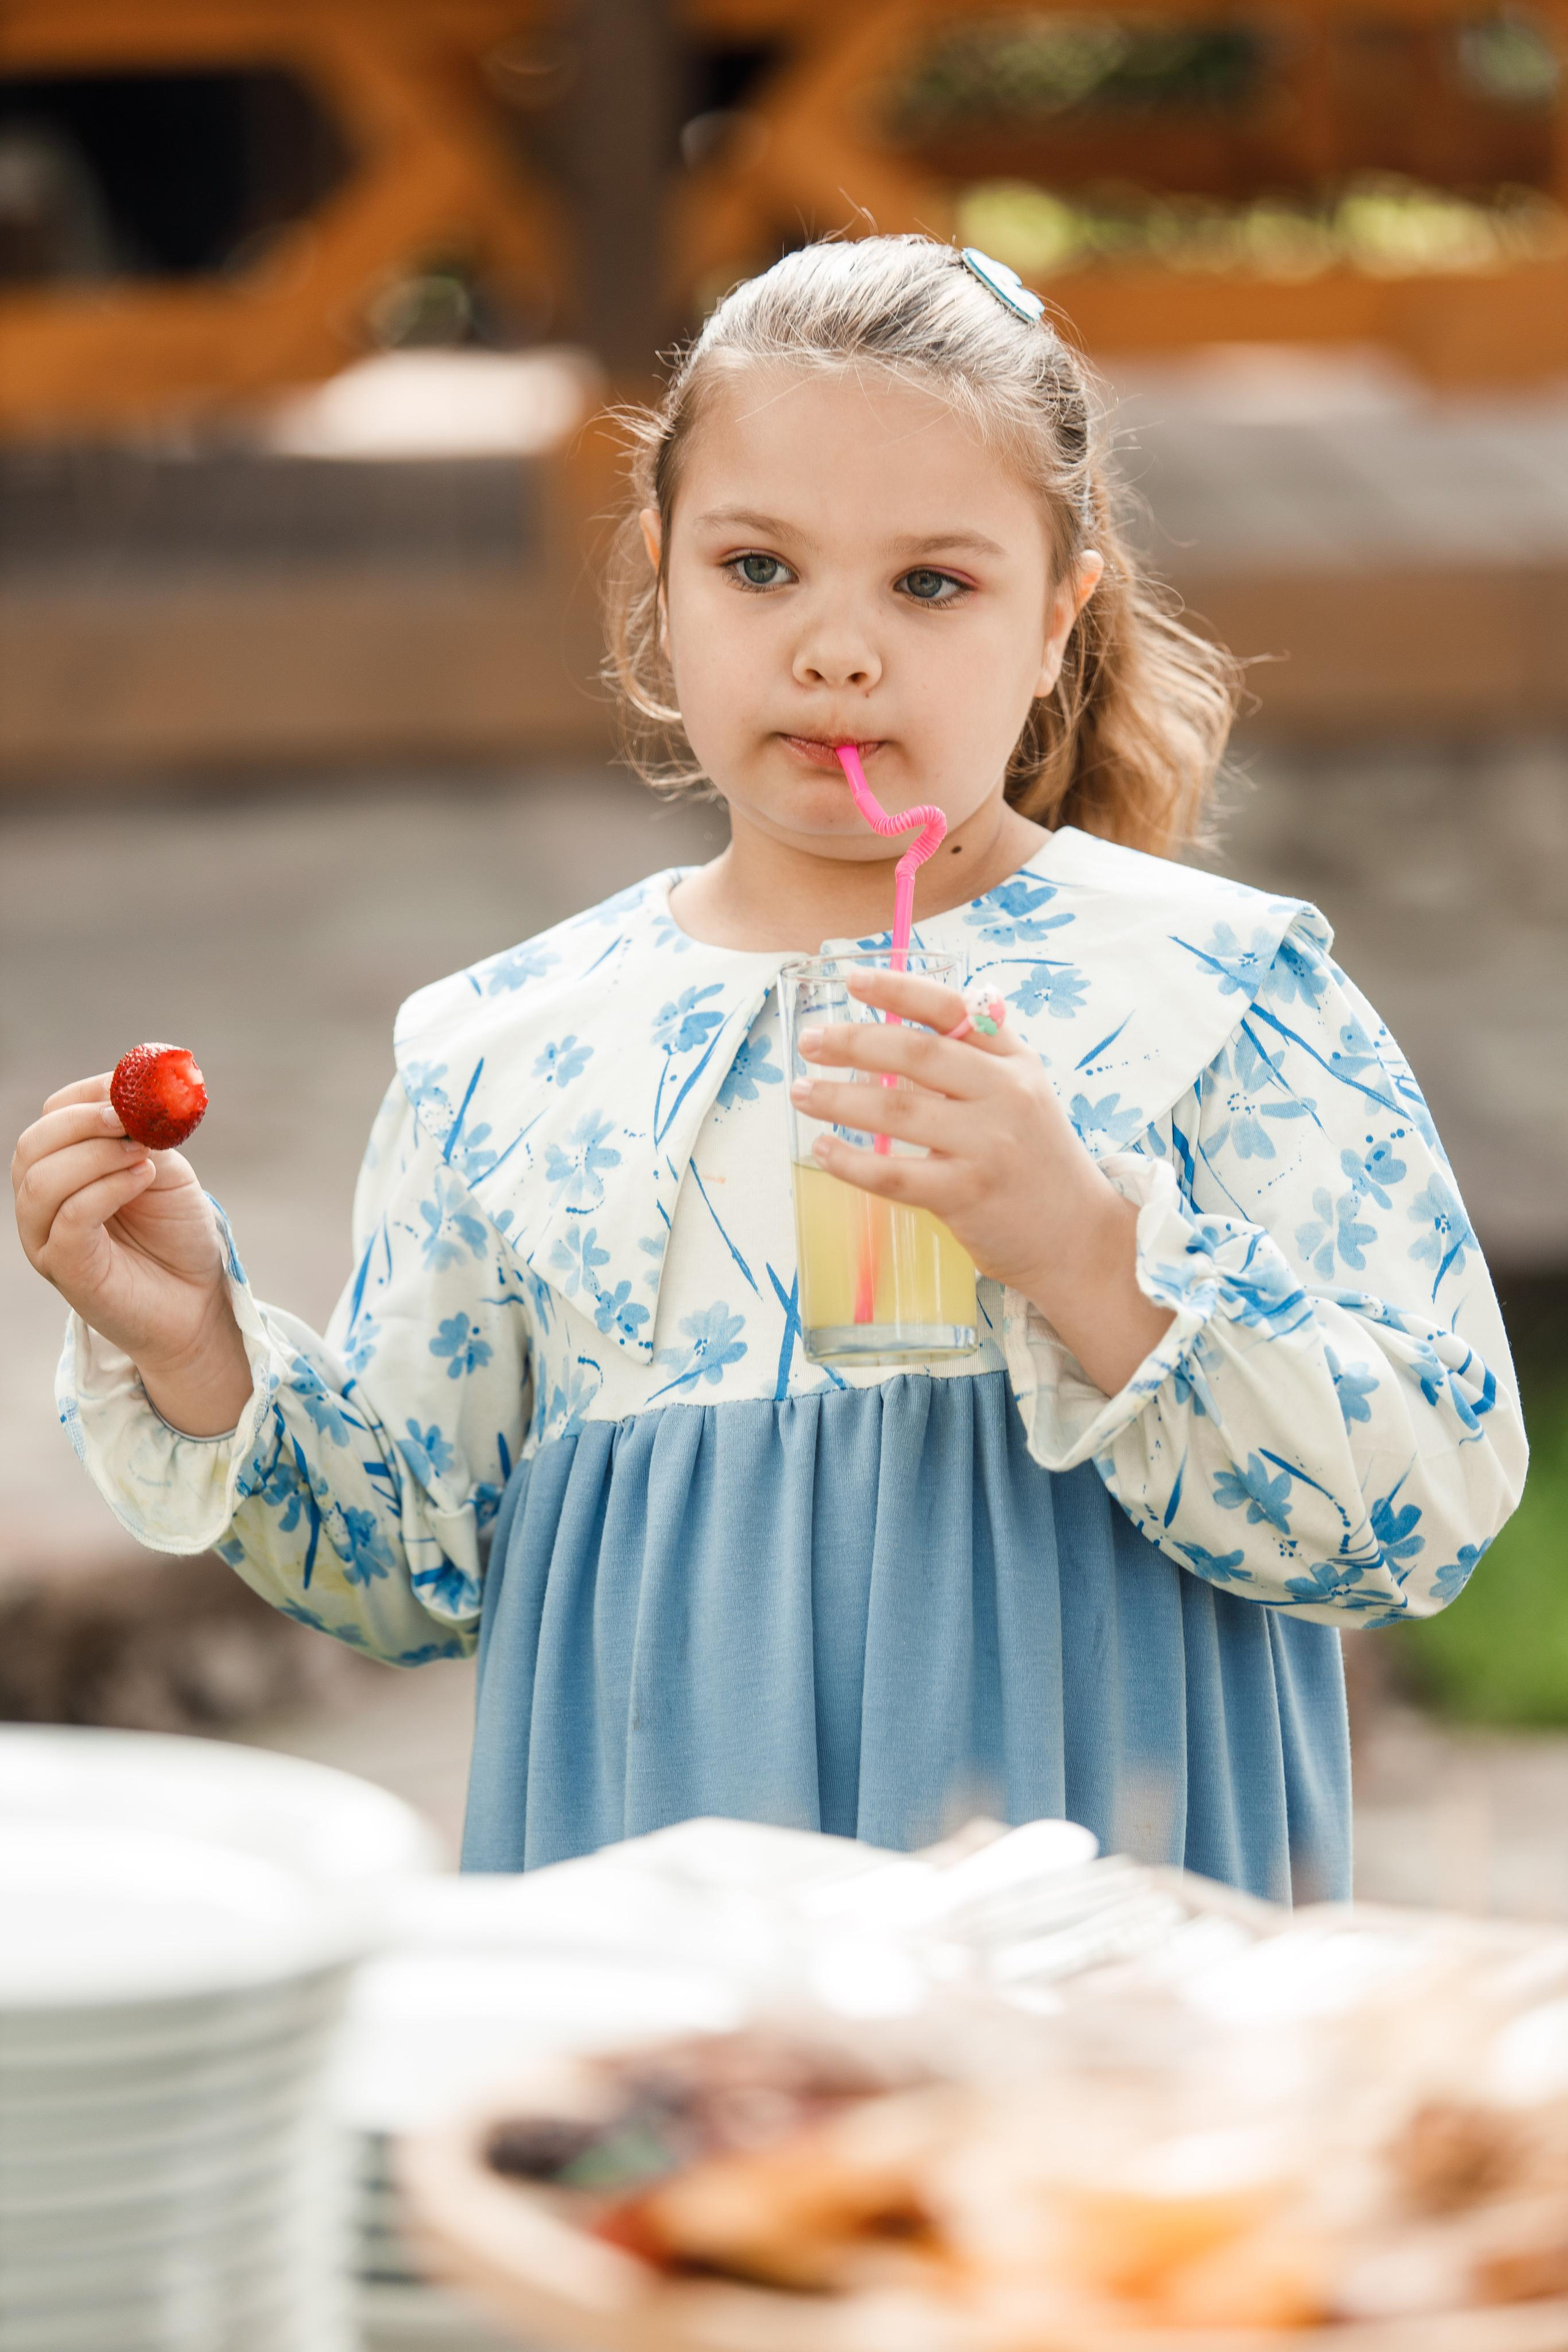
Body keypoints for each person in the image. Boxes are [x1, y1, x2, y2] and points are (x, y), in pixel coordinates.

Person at [13, 236, 1525, 1900]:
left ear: (1055, 622)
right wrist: (199, 1352)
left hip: (1094, 1926)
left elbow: (1428, 1503)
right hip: (677, 1922)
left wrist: (1090, 1253)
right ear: (659, 585)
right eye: (759, 568)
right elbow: (412, 1568)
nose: (836, 651)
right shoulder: (510, 1051)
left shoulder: (1216, 995)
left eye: (931, 585)